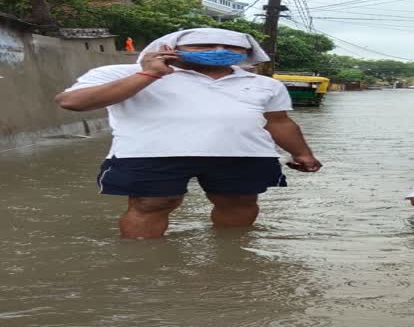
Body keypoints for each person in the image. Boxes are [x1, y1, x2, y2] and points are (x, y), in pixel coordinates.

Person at [55, 27, 322, 239]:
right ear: (170, 49)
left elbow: (278, 121)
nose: (219, 51)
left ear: (246, 53)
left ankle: (231, 255)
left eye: (231, 47)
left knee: (240, 203)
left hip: (243, 153)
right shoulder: (122, 72)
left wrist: (302, 154)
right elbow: (72, 102)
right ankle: (143, 263)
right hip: (151, 153)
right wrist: (150, 74)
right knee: (151, 204)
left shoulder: (264, 84)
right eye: (204, 46)